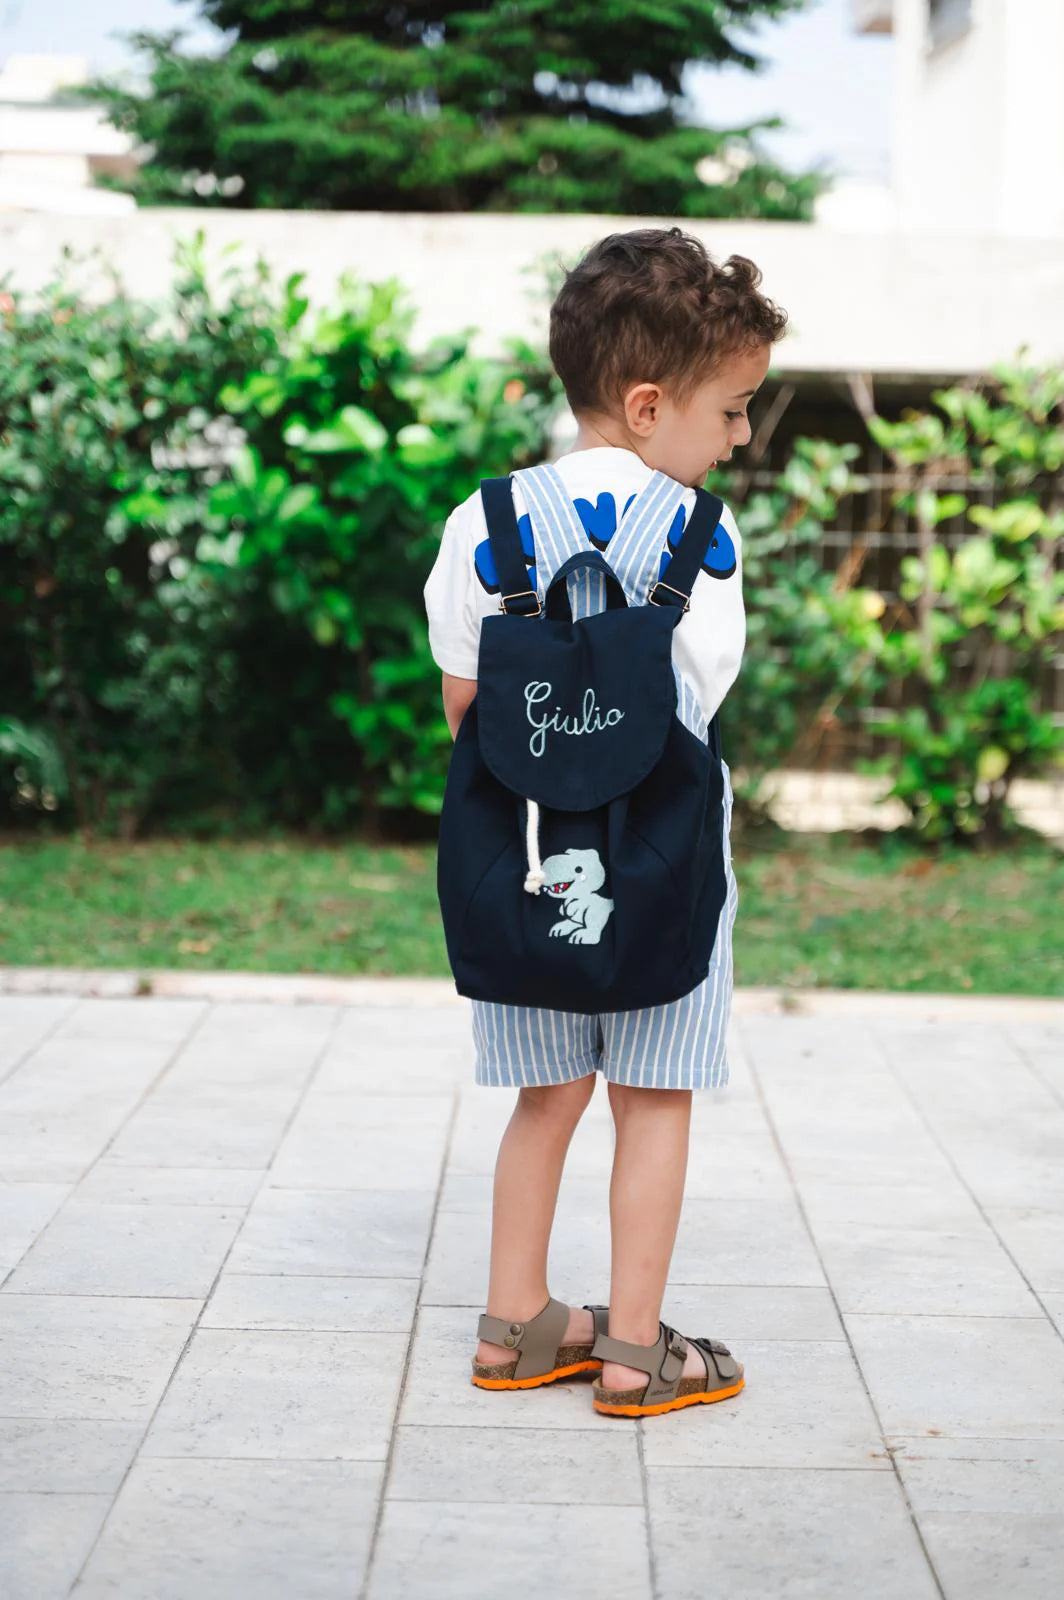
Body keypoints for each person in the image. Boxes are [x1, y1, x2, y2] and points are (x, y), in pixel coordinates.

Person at [423, 225, 788, 1418]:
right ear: (646, 406)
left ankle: (513, 1327)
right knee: (650, 1101)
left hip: (530, 864)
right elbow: (694, 708)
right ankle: (632, 1353)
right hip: (662, 870)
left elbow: (466, 706)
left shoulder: (482, 522)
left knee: (544, 1100)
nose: (739, 435)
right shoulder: (702, 539)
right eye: (730, 409)